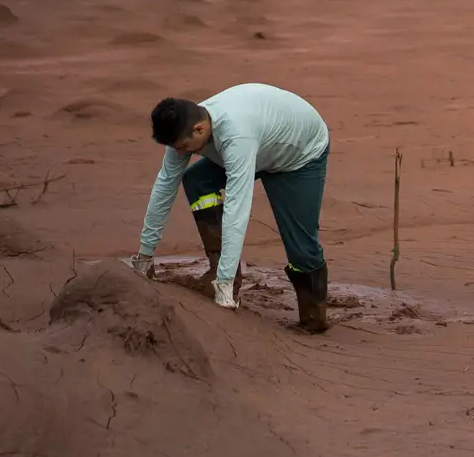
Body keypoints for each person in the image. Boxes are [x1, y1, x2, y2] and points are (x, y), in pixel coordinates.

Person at [129, 82, 331, 333]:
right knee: (197, 180)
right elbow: (164, 186)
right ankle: (222, 272)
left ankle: (314, 319)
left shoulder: (236, 135)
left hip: (298, 155)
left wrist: (223, 290)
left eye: (182, 147)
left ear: (199, 129)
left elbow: (237, 210)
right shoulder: (186, 128)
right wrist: (145, 255)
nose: (179, 153)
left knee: (301, 249)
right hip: (259, 143)